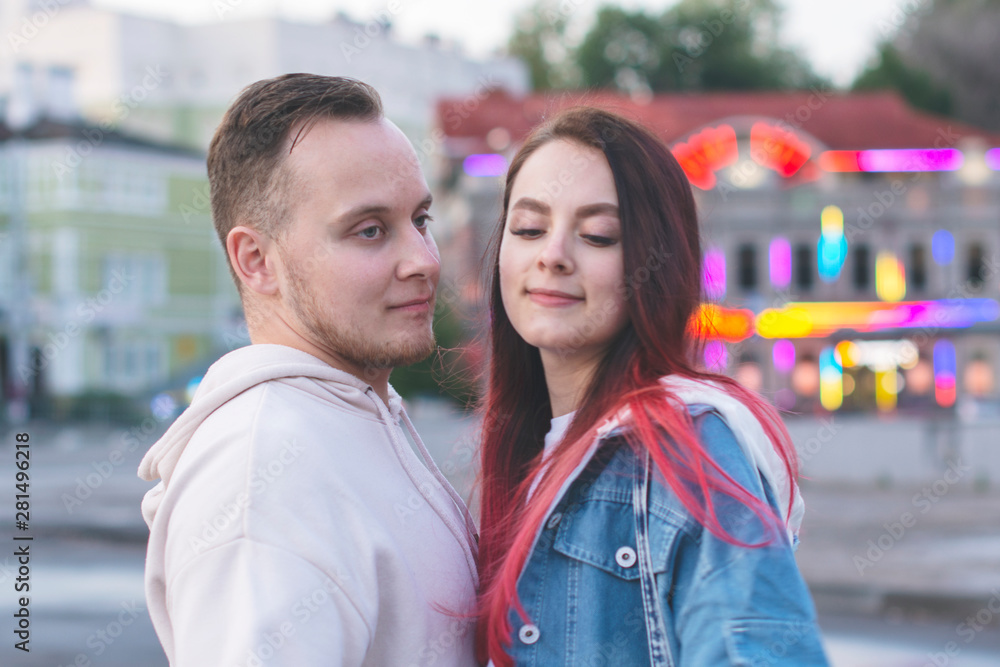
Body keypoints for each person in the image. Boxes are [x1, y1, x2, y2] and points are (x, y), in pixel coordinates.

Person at [137, 74, 479, 666]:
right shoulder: (263, 478)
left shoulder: (345, 417)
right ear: (256, 261)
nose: (423, 260)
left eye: (421, 220)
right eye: (369, 230)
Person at [474, 107, 830, 666]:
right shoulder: (527, 450)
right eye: (529, 228)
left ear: (656, 264)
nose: (552, 255)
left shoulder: (687, 447)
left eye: (598, 235)